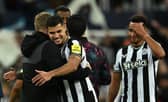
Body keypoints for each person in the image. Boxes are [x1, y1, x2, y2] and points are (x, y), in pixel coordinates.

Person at [32, 15, 98, 102]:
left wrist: (50, 74)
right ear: (47, 33)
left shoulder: (74, 44)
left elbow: (73, 65)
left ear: (65, 28)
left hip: (83, 97)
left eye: (59, 31)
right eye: (52, 33)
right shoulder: (51, 50)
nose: (56, 36)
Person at [54, 5, 111, 98]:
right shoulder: (98, 51)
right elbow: (106, 79)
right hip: (92, 96)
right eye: (61, 19)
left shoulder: (61, 50)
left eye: (67, 20)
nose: (64, 22)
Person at [108, 15, 165, 102]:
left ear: (144, 31)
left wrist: (144, 35)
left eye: (137, 31)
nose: (132, 34)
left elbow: (161, 54)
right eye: (130, 30)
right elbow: (115, 82)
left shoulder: (151, 48)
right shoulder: (121, 53)